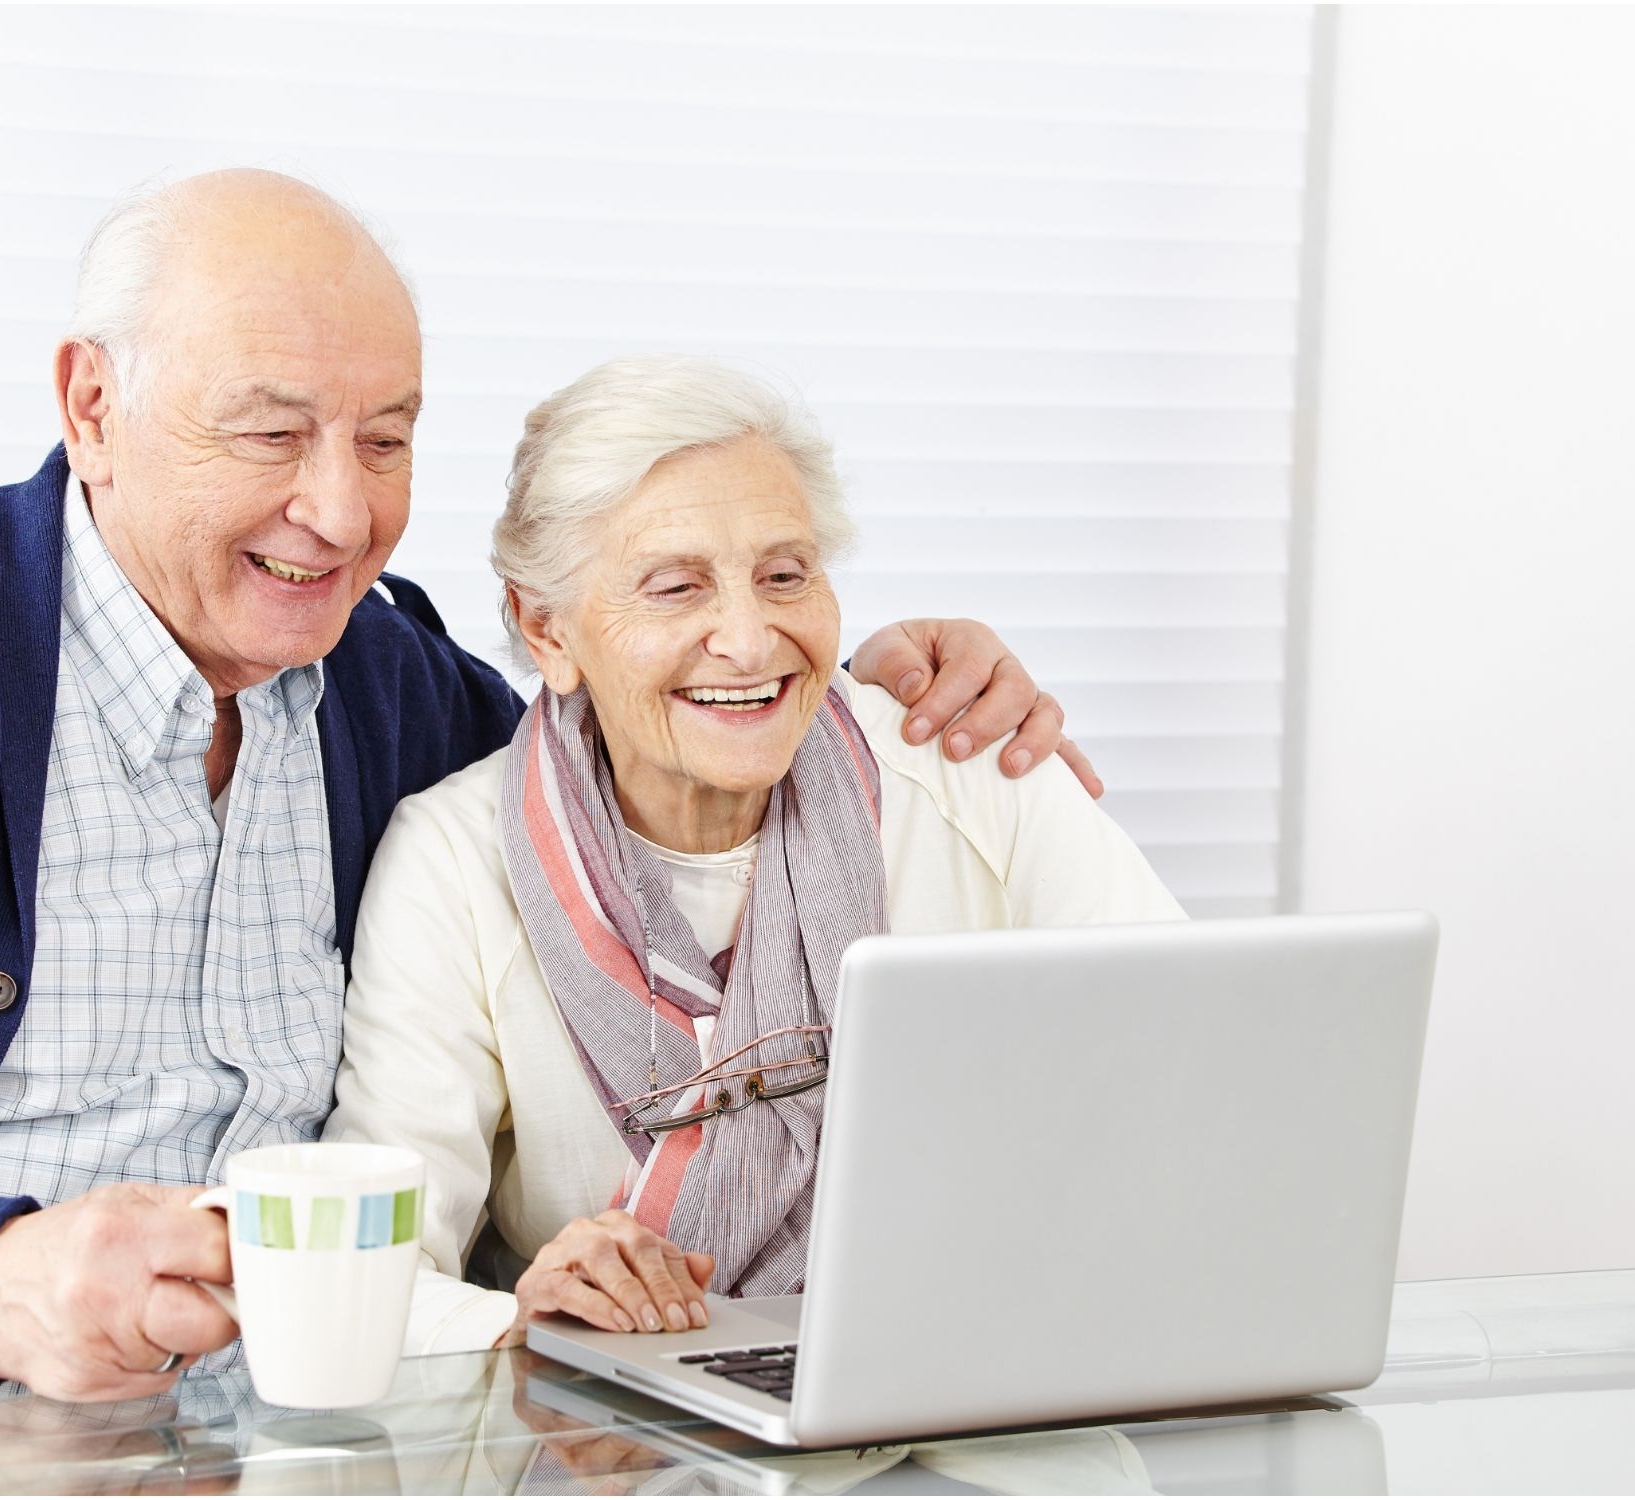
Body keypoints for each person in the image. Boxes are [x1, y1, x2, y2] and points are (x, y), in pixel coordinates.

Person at [0, 171, 1085, 1444]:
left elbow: (618, 751)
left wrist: (849, 691)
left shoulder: (391, 691)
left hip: (299, 1457)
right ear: (91, 406)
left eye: (388, 439)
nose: (339, 512)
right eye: (272, 434)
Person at [323, 355, 1184, 1353]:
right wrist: (525, 1321)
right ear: (545, 627)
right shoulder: (452, 862)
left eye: (785, 576)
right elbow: (370, 1273)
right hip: (615, 1435)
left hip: (994, 1364)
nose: (748, 636)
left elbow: (1197, 1081)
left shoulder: (974, 772)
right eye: (677, 587)